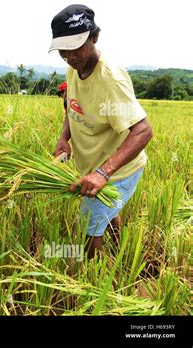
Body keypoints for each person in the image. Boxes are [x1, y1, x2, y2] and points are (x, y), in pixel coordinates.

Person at [49, 4, 153, 258]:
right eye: (64, 48)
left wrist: (102, 174)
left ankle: (95, 283)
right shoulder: (73, 69)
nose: (69, 55)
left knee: (88, 229)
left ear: (95, 37)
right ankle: (120, 254)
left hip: (119, 170)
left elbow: (143, 130)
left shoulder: (111, 80)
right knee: (106, 213)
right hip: (94, 167)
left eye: (76, 46)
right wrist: (64, 138)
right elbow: (72, 107)